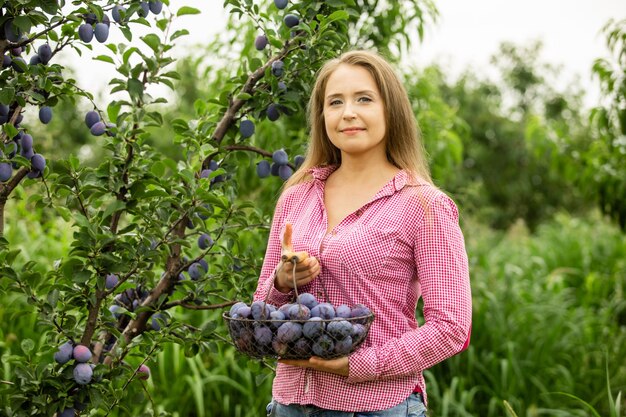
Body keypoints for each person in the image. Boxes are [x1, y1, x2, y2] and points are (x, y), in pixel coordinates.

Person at [253, 49, 472, 417]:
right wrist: (281, 280)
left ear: (392, 110)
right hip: (291, 404)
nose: (348, 112)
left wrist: (360, 365)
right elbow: (261, 312)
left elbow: (451, 327)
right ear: (322, 116)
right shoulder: (297, 196)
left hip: (376, 406)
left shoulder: (423, 205)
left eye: (364, 99)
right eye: (334, 102)